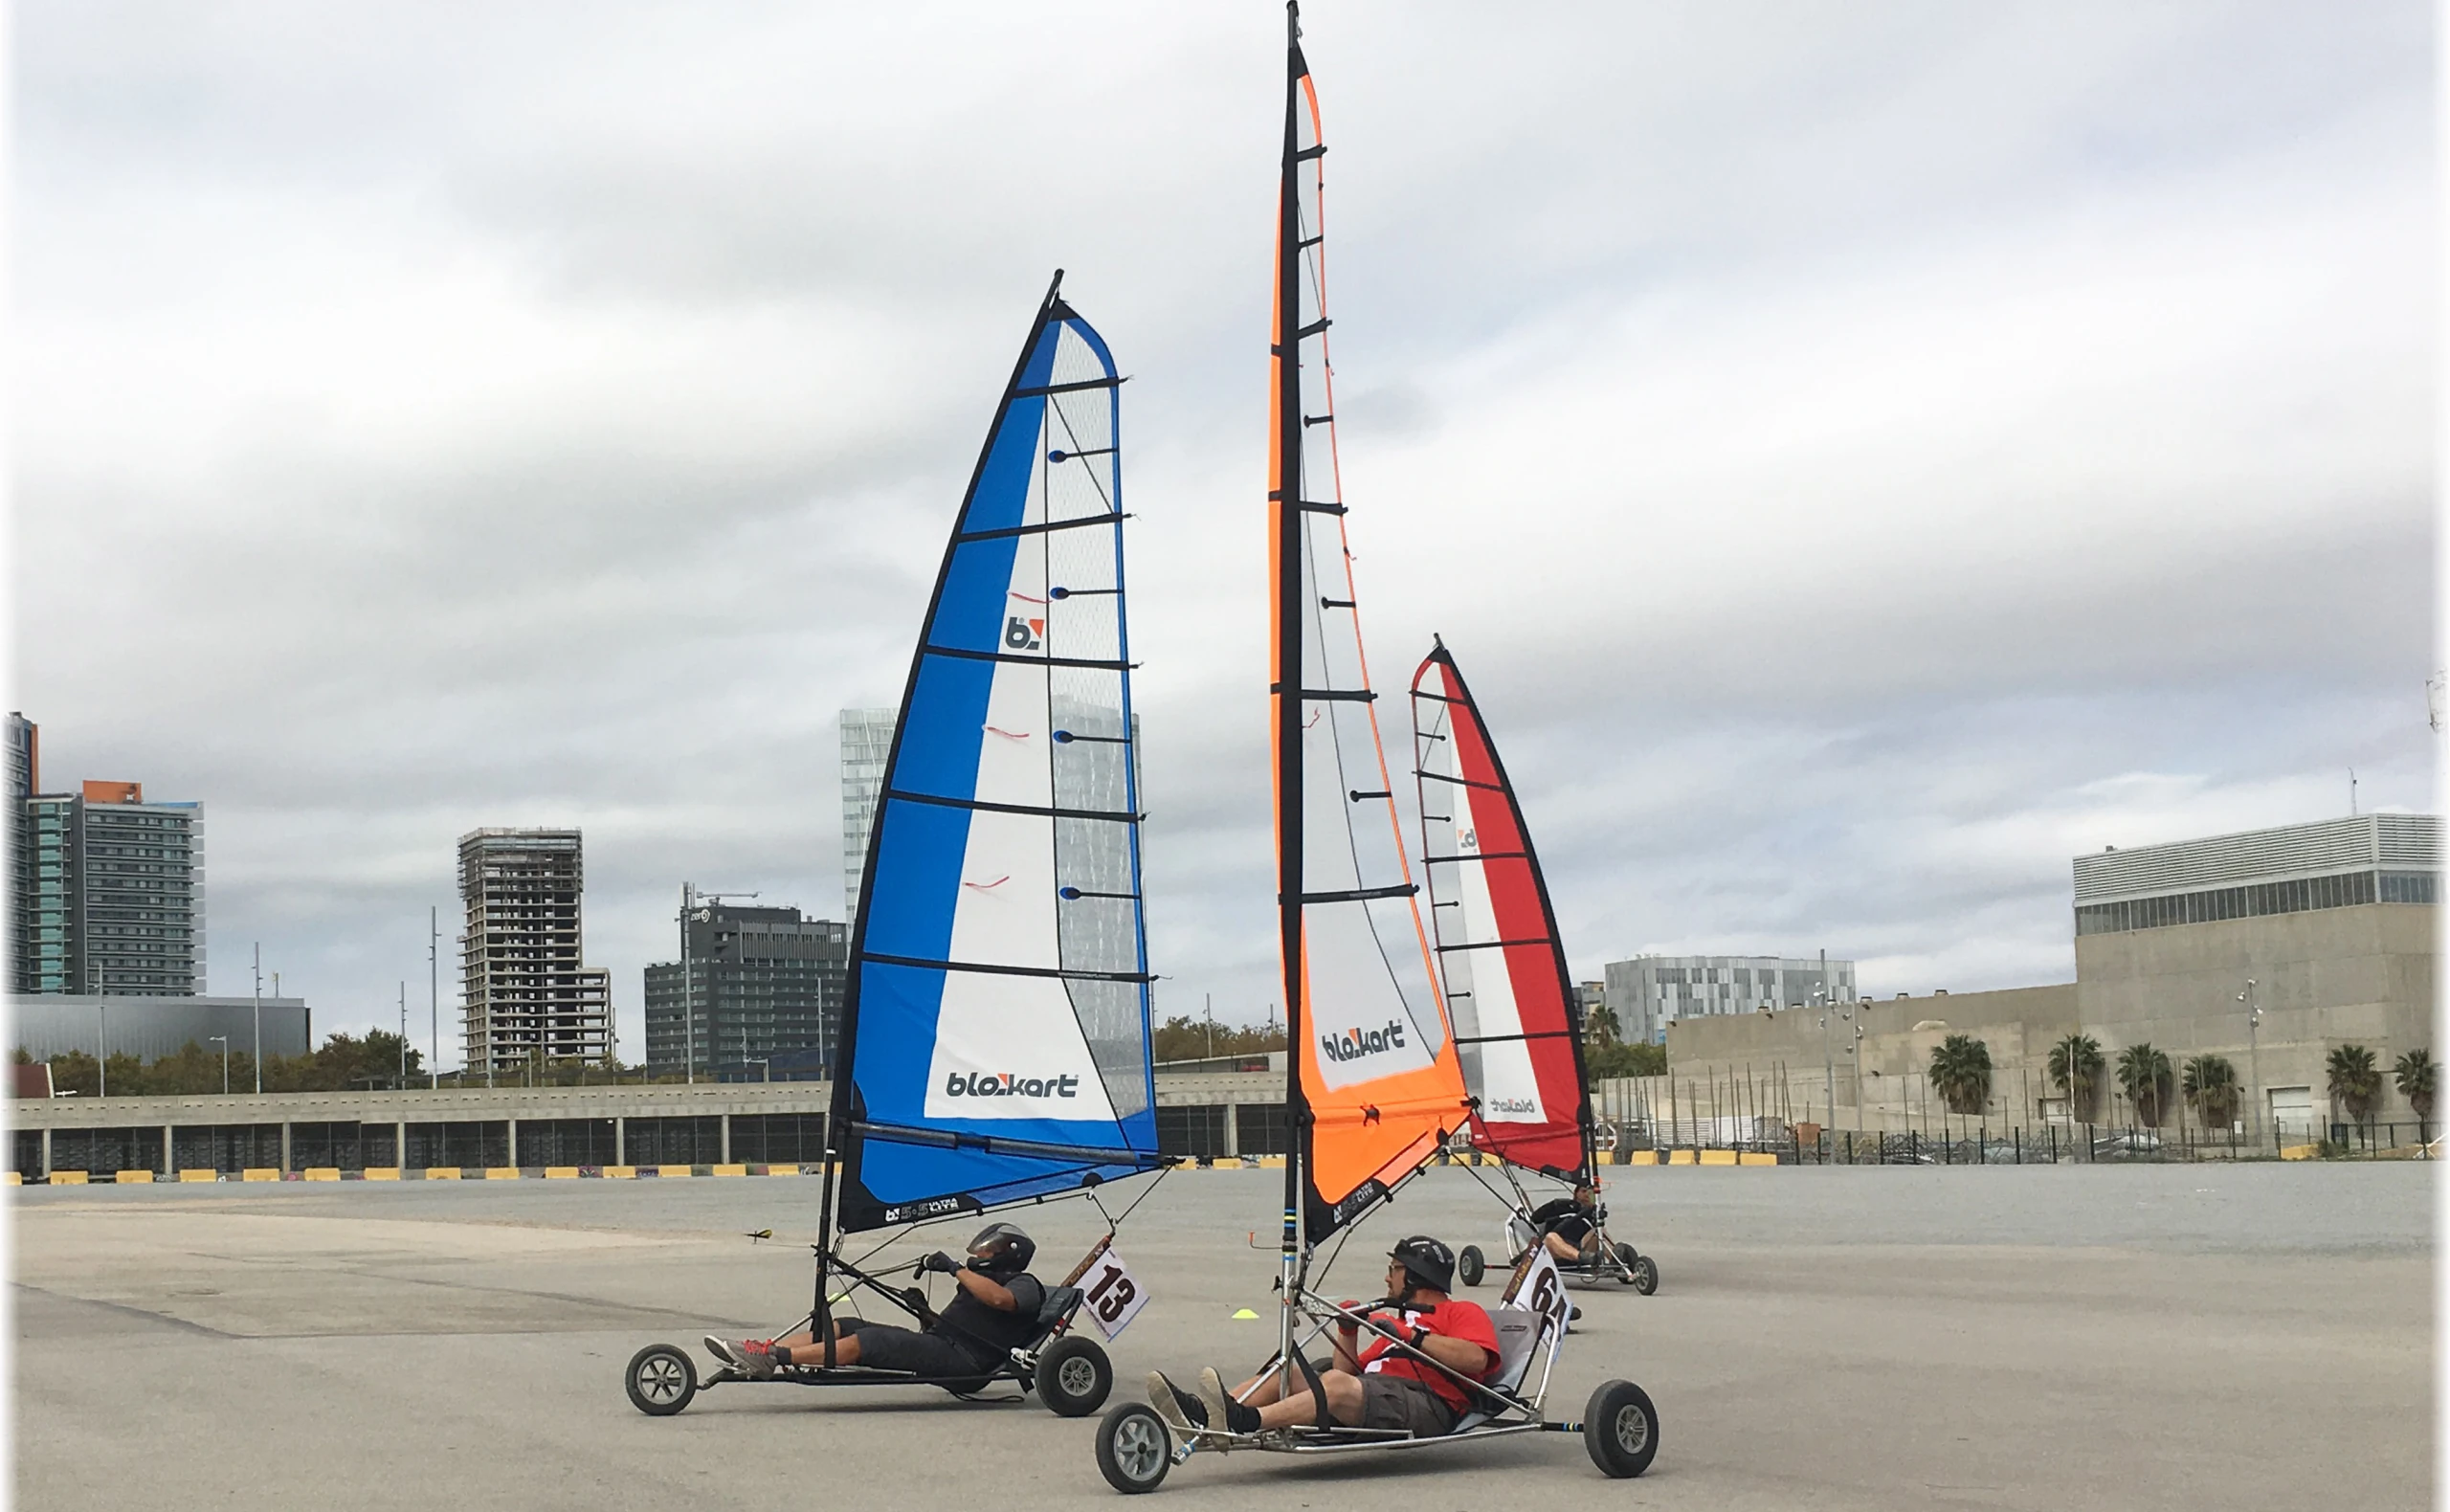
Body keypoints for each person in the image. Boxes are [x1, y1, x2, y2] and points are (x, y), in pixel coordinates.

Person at [1146, 1235, 1498, 1441]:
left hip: (1429, 1405)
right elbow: (1348, 1372)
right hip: (1378, 1395)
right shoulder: (1399, 1320)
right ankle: (1208, 1413)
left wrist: (1411, 1335)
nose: (1387, 1278)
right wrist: (1348, 1330)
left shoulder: (1461, 1311)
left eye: (1394, 1270)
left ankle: (1246, 1420)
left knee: (1335, 1385)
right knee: (1289, 1372)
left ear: (1416, 1276)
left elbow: (1475, 1359)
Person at [707, 1221, 1046, 1388]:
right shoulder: (981, 1282)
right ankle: (763, 1349)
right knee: (846, 1325)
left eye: (988, 1251)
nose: (980, 1255)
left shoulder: (1024, 1284)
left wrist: (955, 1268)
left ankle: (775, 1358)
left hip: (967, 1365)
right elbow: (964, 1325)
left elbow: (1000, 1300)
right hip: (942, 1345)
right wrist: (924, 1312)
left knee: (871, 1342)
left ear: (1008, 1254)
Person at [1528, 1179, 1602, 1266]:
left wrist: (1595, 1213)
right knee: (1551, 1237)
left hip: (1578, 1248)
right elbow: (1535, 1219)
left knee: (1600, 1231)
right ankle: (1581, 1257)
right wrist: (1552, 1205)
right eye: (1583, 1191)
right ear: (1576, 1193)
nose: (1587, 1195)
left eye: (1590, 1193)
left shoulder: (1593, 1216)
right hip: (1553, 1249)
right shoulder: (1561, 1206)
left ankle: (1615, 1260)